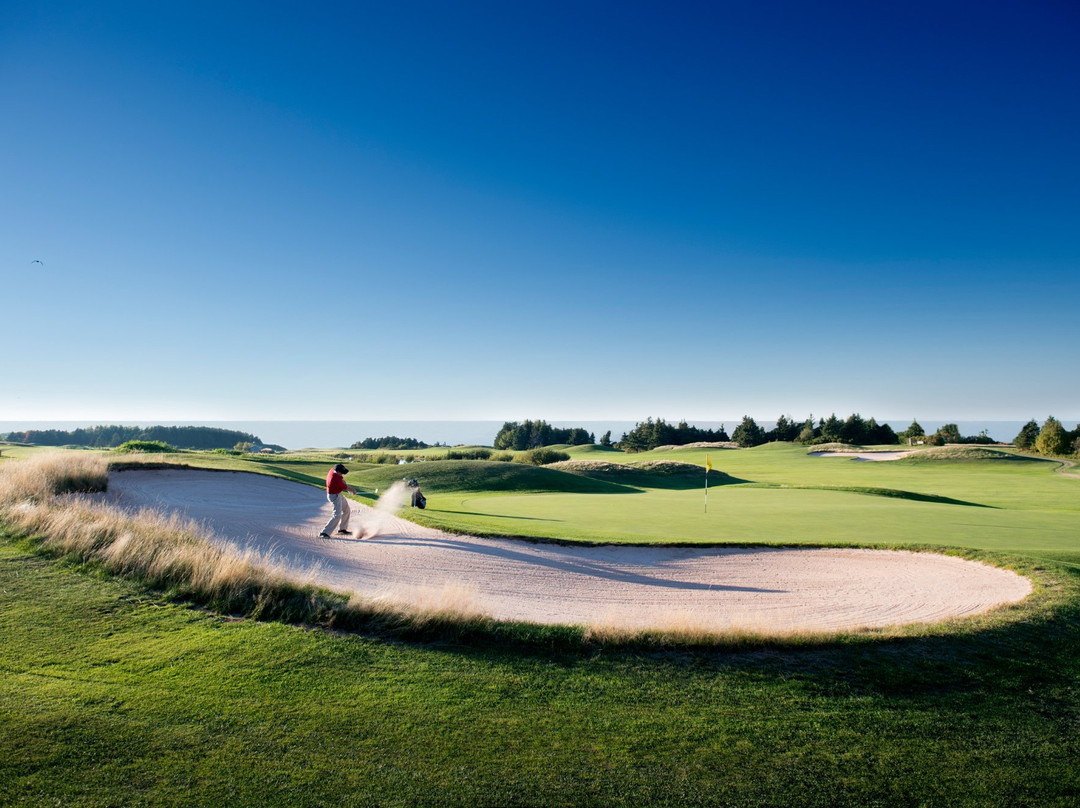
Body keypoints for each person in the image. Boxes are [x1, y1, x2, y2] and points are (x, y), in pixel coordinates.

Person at [319, 463, 360, 538]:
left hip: (338, 494)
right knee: (337, 515)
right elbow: (346, 488)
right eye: (341, 473)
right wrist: (353, 491)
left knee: (346, 510)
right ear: (337, 471)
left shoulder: (333, 470)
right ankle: (324, 533)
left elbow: (343, 482)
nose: (342, 474)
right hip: (334, 496)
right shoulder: (335, 480)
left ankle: (342, 529)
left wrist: (347, 487)